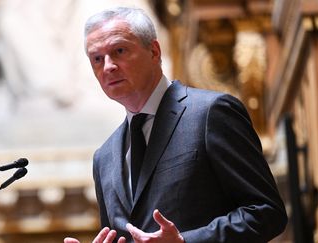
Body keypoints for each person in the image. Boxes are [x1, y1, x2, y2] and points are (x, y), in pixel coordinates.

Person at [65, 6, 287, 243]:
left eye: (119, 50)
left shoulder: (210, 113)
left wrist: (185, 242)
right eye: (97, 58)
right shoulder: (104, 158)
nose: (108, 66)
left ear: (154, 51)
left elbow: (266, 212)